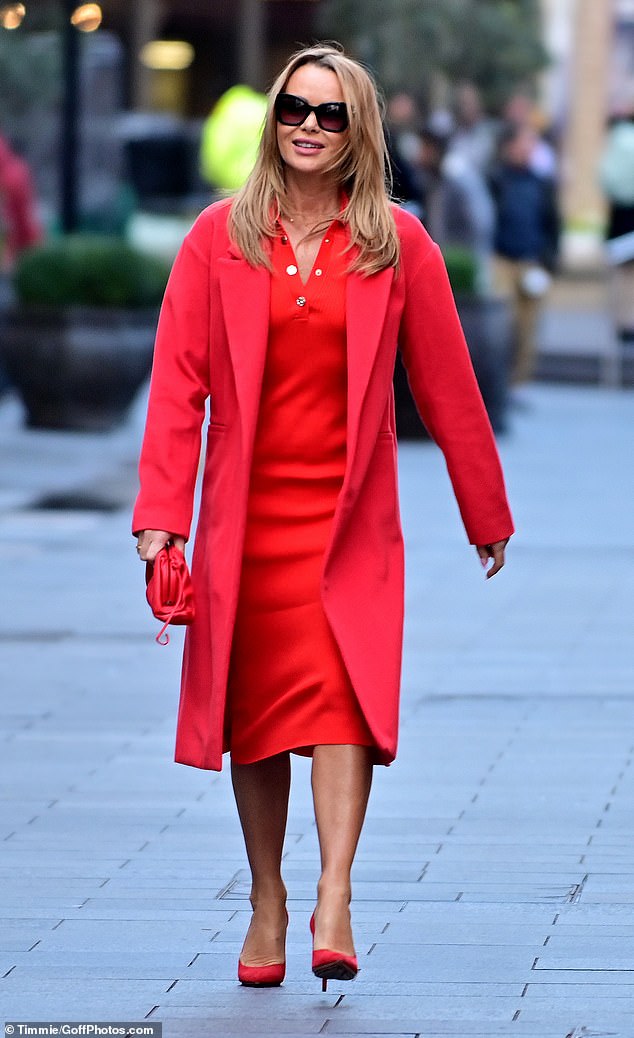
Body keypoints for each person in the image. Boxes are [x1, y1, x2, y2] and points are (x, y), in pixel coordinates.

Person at [133, 44, 514, 992]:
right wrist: (159, 522)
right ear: (274, 121)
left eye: (331, 114)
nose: (309, 125)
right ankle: (267, 897)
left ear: (360, 133)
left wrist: (484, 509)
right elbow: (177, 387)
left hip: (348, 520)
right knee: (256, 719)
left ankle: (333, 895)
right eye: (294, 109)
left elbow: (448, 382)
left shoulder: (398, 244)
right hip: (244, 524)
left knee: (345, 699)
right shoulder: (217, 238)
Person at [490, 122, 560, 384]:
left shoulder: (542, 183)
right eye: (524, 142)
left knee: (528, 329)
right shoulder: (496, 179)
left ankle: (516, 384)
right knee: (503, 325)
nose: (528, 148)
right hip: (502, 260)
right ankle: (498, 383)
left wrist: (549, 262)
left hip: (532, 262)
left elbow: (553, 224)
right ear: (509, 147)